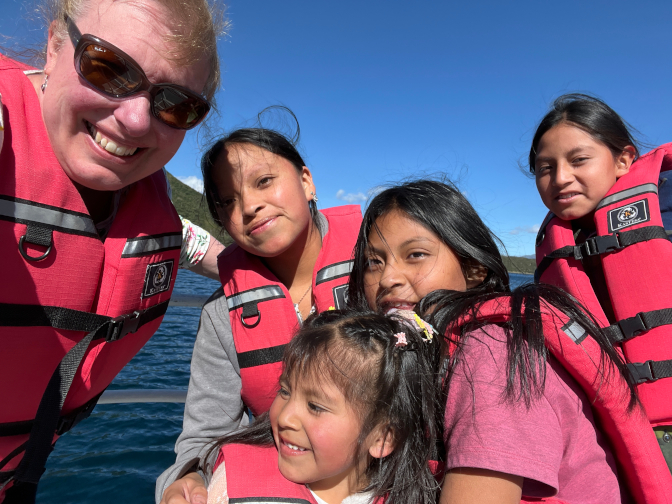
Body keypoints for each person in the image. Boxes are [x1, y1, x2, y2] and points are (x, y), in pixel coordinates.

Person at [0, 0, 224, 501]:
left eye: (176, 104)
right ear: (57, 43)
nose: (138, 120)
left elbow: (187, 243)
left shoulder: (144, 204)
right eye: (108, 67)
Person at [345, 179, 672, 503]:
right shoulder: (430, 351)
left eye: (415, 254)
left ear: (473, 268)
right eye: (374, 262)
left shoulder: (491, 353)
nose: (387, 278)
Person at [157, 124, 363, 503]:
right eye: (229, 202)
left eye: (264, 181)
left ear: (306, 181)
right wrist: (188, 477)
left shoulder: (381, 272)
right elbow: (204, 435)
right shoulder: (223, 314)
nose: (249, 206)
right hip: (289, 478)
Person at [529, 94, 672, 471]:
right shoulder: (558, 245)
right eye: (545, 168)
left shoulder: (666, 206)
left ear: (624, 159)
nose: (560, 178)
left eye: (579, 160)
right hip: (619, 435)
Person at [202, 308, 442, 504]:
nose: (285, 417)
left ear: (383, 437)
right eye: (285, 391)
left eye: (315, 407)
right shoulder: (232, 485)